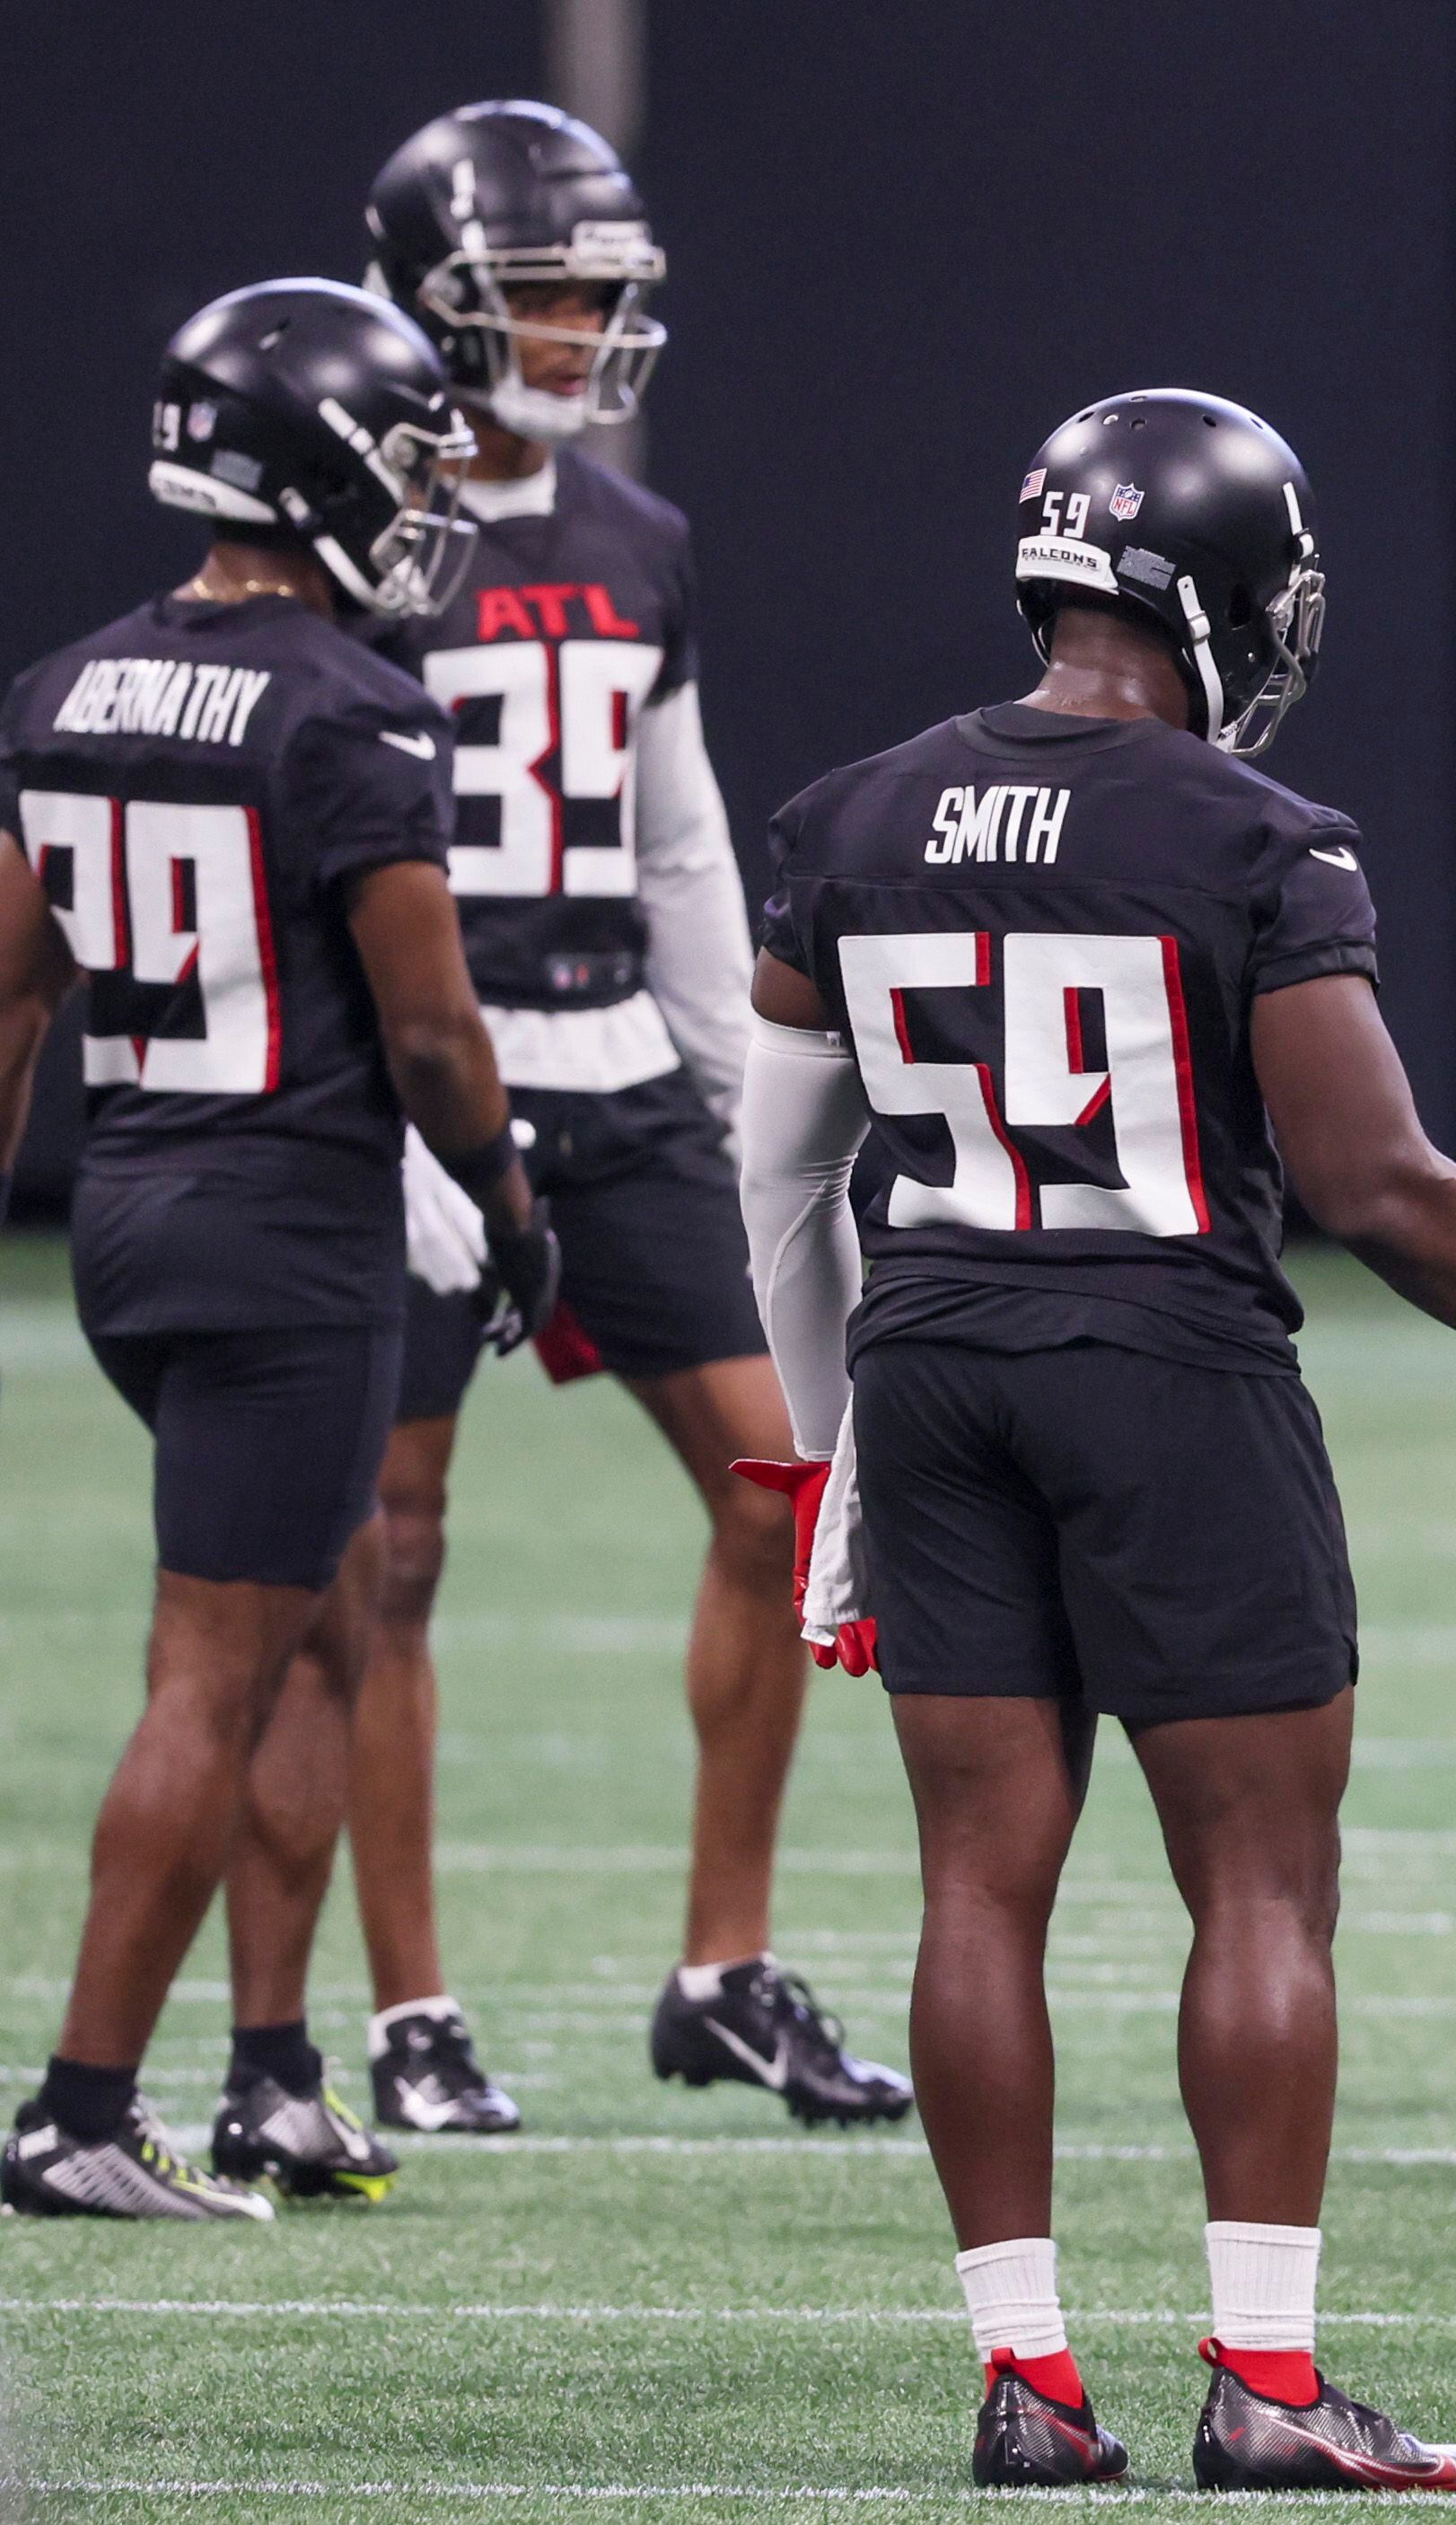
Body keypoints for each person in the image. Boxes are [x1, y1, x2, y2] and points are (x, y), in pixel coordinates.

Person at [741, 387, 1456, 2485]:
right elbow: (1385, 1188)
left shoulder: (847, 818)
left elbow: (774, 1179)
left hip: (936, 1369)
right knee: (1259, 1879)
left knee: (980, 1883)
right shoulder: (1256, 838)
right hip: (1167, 1368)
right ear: (1219, 594)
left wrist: (829, 1461)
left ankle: (1026, 2388)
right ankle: (1262, 2384)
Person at [221, 101, 905, 2135]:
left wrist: (744, 1088)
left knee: (791, 1494)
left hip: (611, 1068)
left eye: (606, 289)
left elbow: (679, 840)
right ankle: (414, 2016)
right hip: (427, 1078)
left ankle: (726, 1964)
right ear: (435, 295)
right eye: (550, 289)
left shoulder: (637, 535)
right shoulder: (355, 531)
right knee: (387, 1553)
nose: (591, 325)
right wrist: (389, 1124)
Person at [0, 280, 556, 2217]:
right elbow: (428, 1025)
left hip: (138, 1218)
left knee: (312, 1625)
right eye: (396, 462)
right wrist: (505, 1195)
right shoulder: (352, 705)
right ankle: (76, 2108)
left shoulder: (63, 690)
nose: (419, 499)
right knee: (214, 1665)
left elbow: (11, 999)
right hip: (288, 1228)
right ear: (308, 465)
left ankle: (274, 2076)